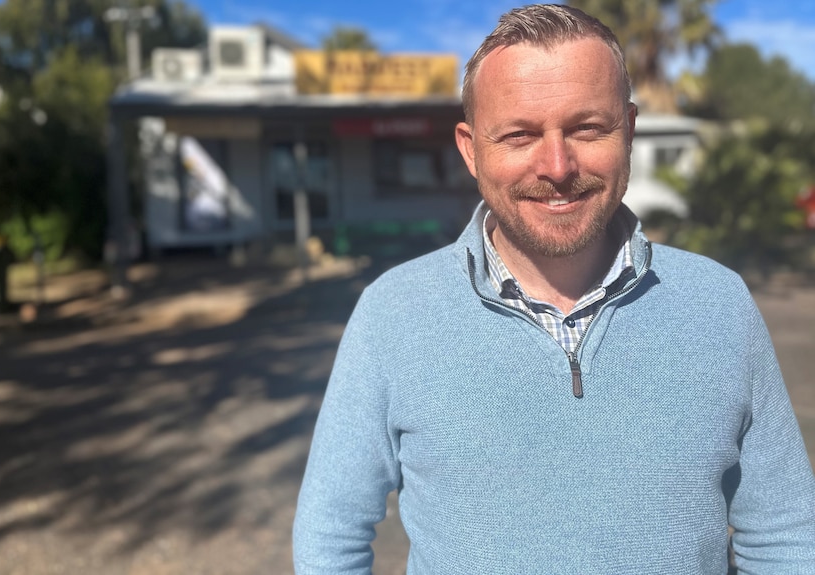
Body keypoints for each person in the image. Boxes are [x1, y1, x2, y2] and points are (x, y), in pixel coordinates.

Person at [293, 5, 815, 574]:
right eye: (519, 135)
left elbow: (785, 538)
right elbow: (331, 536)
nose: (558, 165)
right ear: (471, 150)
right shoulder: (393, 314)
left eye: (588, 129)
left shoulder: (720, 305)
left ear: (630, 131)